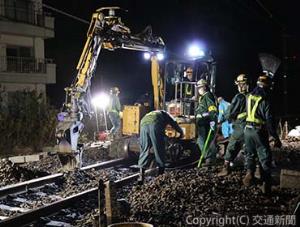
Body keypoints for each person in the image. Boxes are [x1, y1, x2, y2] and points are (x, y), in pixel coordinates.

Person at [243, 75, 282, 194]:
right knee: (265, 156)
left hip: (247, 129)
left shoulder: (249, 96)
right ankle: (266, 184)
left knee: (249, 153)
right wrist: (275, 138)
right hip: (258, 130)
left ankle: (250, 174)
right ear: (267, 85)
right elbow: (269, 120)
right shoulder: (265, 99)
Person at [138, 110, 184, 184]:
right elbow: (174, 123)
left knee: (144, 149)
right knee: (159, 148)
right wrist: (181, 132)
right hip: (154, 124)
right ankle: (160, 175)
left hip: (143, 124)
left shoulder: (153, 113)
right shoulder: (165, 114)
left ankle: (141, 176)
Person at [218, 74, 249, 176]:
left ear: (241, 85)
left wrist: (221, 119)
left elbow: (230, 112)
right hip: (253, 127)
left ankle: (226, 167)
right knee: (251, 148)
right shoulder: (254, 96)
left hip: (241, 126)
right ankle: (254, 171)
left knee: (232, 145)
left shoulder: (239, 97)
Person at [195, 79, 218, 165]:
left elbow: (212, 109)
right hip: (202, 122)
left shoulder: (208, 96)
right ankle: (210, 159)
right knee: (205, 141)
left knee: (202, 141)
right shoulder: (203, 97)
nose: (198, 89)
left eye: (200, 87)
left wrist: (212, 121)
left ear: (204, 87)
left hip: (205, 122)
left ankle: (208, 158)